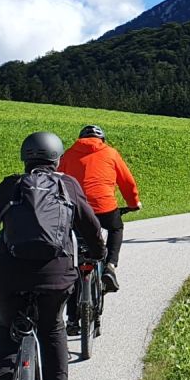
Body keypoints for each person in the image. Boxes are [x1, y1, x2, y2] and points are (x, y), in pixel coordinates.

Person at [0, 131, 104, 380]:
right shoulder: (67, 185)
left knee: (8, 328)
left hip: (8, 275)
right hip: (55, 276)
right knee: (53, 330)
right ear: (57, 158)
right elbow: (90, 226)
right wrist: (99, 252)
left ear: (25, 157)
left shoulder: (11, 186)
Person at [58, 124, 141, 325]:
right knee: (115, 228)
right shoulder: (110, 153)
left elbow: (57, 179)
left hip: (76, 209)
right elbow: (127, 182)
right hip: (104, 207)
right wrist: (133, 203)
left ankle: (71, 319)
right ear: (102, 139)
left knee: (75, 258)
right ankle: (110, 266)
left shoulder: (69, 154)